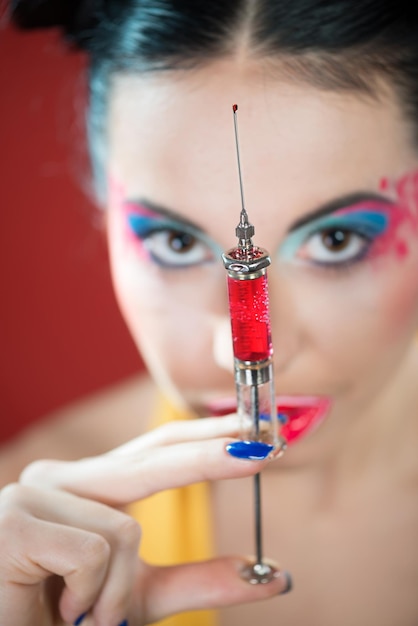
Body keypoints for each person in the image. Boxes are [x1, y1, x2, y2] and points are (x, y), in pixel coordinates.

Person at [2, 0, 418, 624]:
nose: (242, 349)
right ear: (103, 214)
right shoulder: (27, 548)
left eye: (337, 239)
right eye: (176, 242)